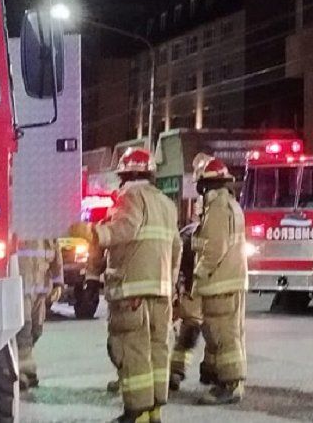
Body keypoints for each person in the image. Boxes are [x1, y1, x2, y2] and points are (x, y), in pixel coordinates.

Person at [70, 147, 182, 423]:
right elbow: (176, 248)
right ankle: (154, 410)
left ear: (126, 175)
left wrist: (92, 232)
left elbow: (124, 229)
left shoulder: (130, 196)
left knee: (132, 351)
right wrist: (170, 284)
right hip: (161, 292)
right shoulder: (166, 204)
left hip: (131, 291)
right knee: (157, 350)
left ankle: (137, 412)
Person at [190, 153, 248, 406]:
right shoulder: (231, 205)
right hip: (231, 280)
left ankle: (230, 385)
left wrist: (197, 275)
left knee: (224, 335)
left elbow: (214, 248)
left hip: (219, 282)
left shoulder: (216, 208)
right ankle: (220, 377)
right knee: (225, 333)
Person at [170, 220, 215, 390]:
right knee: (202, 331)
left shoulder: (188, 237)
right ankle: (205, 371)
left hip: (196, 286)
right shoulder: (191, 238)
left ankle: (177, 371)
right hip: (201, 287)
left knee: (194, 328)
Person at [15, 238, 64, 391]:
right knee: (24, 330)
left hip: (40, 287)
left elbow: (56, 252)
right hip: (22, 286)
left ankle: (24, 366)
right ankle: (24, 372)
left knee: (36, 330)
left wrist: (58, 282)